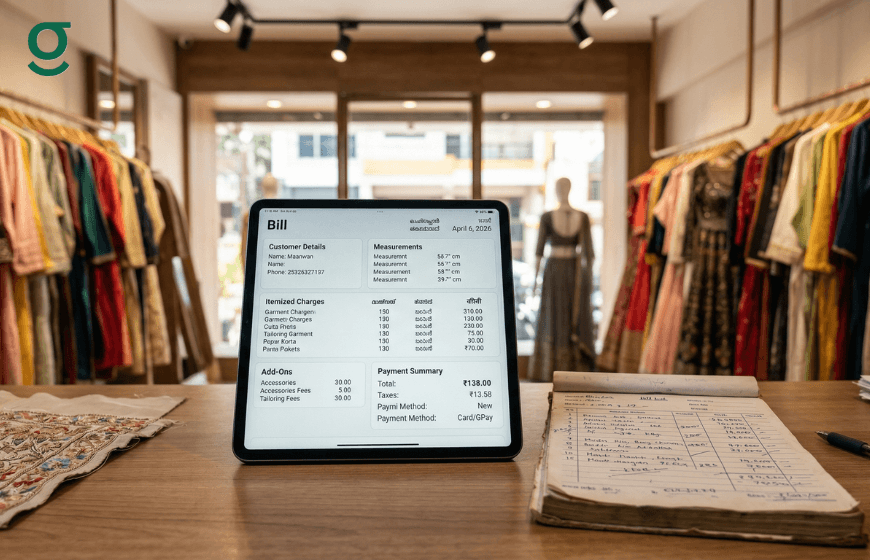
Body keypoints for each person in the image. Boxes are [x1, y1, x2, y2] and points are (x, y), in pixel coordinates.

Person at [528, 177, 596, 381]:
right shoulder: (547, 217)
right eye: (560, 187)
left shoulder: (583, 217)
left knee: (574, 314)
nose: (562, 190)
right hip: (554, 271)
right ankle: (550, 369)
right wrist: (535, 281)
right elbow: (539, 250)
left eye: (565, 187)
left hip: (575, 272)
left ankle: (575, 368)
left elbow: (589, 253)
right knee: (553, 314)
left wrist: (589, 279)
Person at [241, 173, 279, 268]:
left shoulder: (250, 215)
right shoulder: (288, 214)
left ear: (262, 188)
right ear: (277, 188)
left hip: (258, 269)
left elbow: (244, 250)